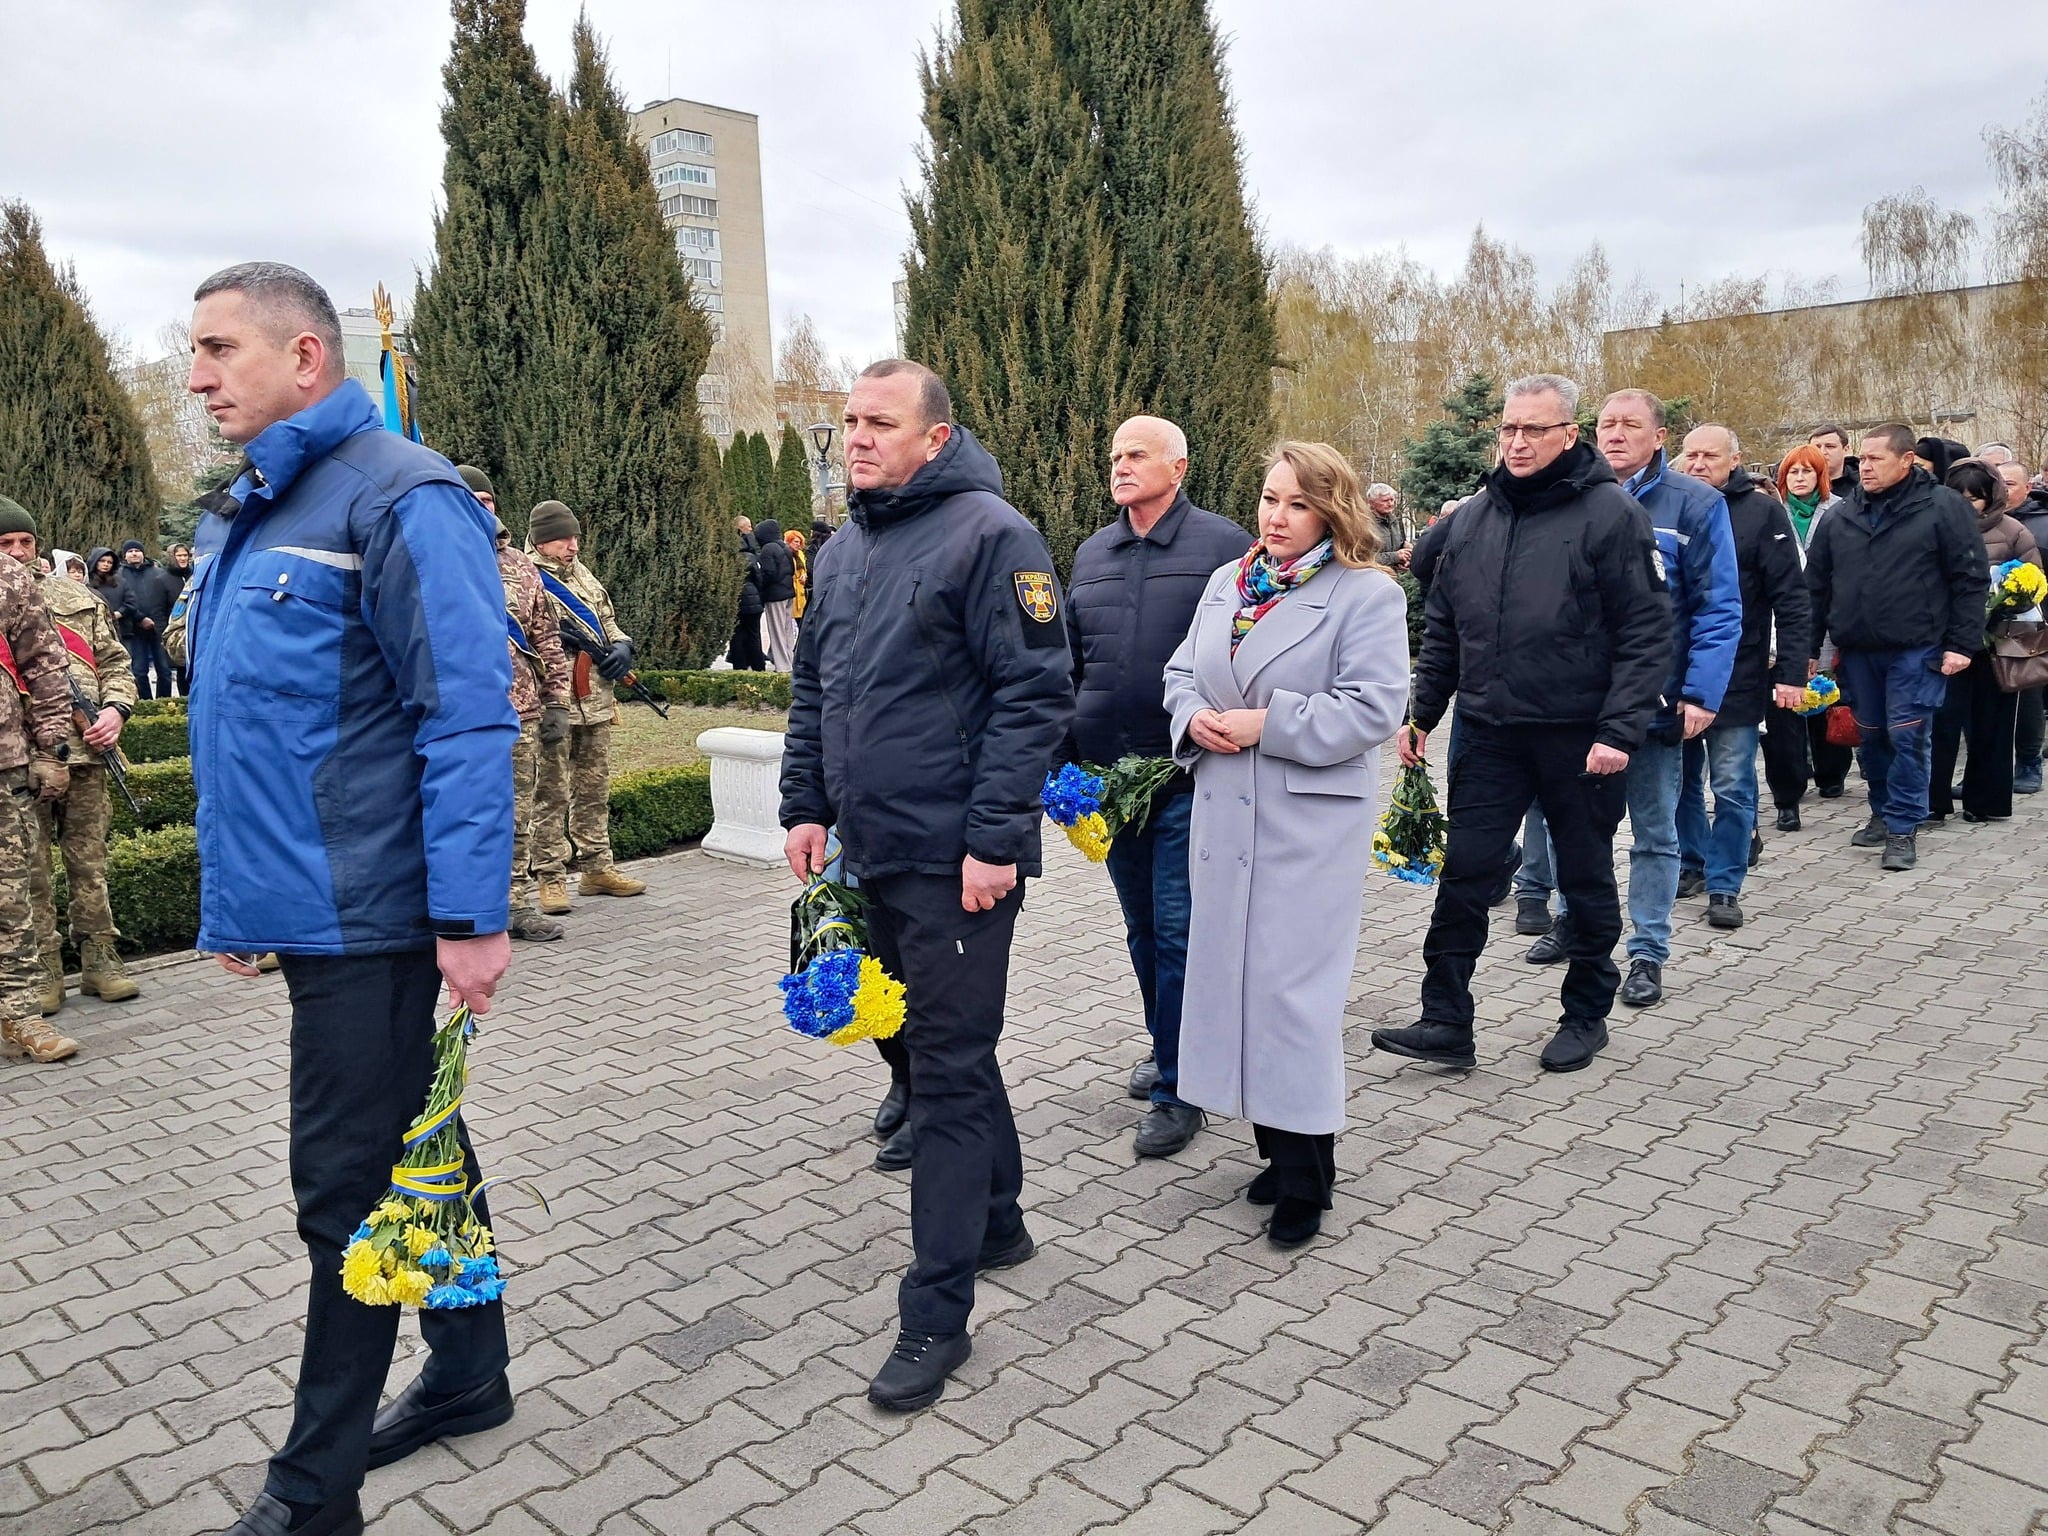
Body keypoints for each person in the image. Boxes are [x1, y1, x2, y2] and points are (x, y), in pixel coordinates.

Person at [183, 261, 518, 1536]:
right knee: (415, 1145)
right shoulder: (259, 506)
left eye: (219, 349)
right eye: (194, 351)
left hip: (376, 915)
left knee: (344, 1190)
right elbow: (257, 727)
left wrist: (472, 919)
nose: (198, 377)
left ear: (307, 357)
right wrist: (243, 905)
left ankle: (312, 1493)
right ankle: (471, 1373)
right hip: (314, 907)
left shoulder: (399, 495)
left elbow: (464, 716)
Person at [780, 359, 1073, 1412]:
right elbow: (814, 686)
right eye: (850, 419)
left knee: (945, 1073)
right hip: (870, 850)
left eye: (880, 422)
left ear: (935, 438)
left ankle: (936, 1315)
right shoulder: (846, 546)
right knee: (931, 1047)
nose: (857, 437)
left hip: (960, 863)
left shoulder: (995, 536)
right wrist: (804, 804)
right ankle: (998, 1218)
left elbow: (1034, 694)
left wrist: (994, 839)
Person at [1372, 373, 1670, 1078]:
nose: (1517, 442)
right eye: (1509, 428)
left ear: (1569, 433)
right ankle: (1446, 1019)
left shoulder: (1611, 515)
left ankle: (1585, 1014)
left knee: (1585, 876)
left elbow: (1646, 632)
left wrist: (1618, 731)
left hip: (1579, 735)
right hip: (1489, 731)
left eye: (1534, 429)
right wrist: (1422, 713)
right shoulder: (1475, 517)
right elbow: (1445, 626)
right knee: (1466, 873)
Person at [1163, 442, 1408, 1244]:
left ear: (1332, 511)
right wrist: (1192, 718)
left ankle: (1309, 1177)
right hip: (1225, 816)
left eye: (1298, 504)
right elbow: (1180, 673)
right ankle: (1275, 1148)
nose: (1277, 516)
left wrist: (1267, 724)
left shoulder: (1365, 594)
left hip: (1306, 826)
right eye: (1271, 499)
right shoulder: (1228, 582)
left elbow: (1373, 707)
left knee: (1291, 997)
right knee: (1234, 987)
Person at [1067, 414, 1251, 1158]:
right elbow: (1071, 661)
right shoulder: (1092, 552)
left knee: (1178, 932)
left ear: (1178, 468)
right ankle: (1165, 1044)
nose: (1120, 465)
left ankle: (1181, 1088)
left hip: (1186, 776)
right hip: (1112, 784)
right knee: (1142, 928)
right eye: (1114, 454)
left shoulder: (1223, 546)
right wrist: (1064, 757)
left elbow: (1249, 648)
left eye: (1136, 454)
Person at [1522, 389, 1740, 1010]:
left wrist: (1700, 693)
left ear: (1660, 436)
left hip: (1654, 701)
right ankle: (1574, 921)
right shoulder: (1564, 494)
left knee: (1654, 831)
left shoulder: (1695, 504)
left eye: (1630, 425)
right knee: (1569, 822)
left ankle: (1648, 951)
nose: (1615, 434)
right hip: (1573, 702)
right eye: (1607, 424)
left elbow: (1718, 607)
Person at [1805, 423, 1987, 872]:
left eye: (1875, 459)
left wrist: (1962, 644)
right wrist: (1806, 649)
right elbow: (1815, 588)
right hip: (1858, 649)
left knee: (1907, 735)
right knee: (1871, 736)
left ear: (1906, 461)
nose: (1864, 467)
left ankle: (1903, 827)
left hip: (1917, 647)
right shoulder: (1840, 516)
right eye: (1862, 459)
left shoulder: (1943, 507)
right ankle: (1882, 811)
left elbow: (1969, 579)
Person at [0, 498, 144, 1017]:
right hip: (24, 759)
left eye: (26, 541)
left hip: (88, 753)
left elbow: (116, 662)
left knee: (90, 861)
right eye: (6, 543)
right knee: (31, 869)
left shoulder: (77, 596)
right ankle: (45, 968)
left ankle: (100, 955)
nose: (19, 551)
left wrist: (116, 711)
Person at [1673, 426, 1810, 929]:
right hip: (1674, 674)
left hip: (1739, 672)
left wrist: (1792, 671)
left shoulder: (1760, 512)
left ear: (1735, 460)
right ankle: (1691, 862)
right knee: (1679, 782)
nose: (1697, 464)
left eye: (1710, 455)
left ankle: (1726, 883)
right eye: (1690, 454)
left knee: (1731, 784)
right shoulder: (1670, 507)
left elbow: (1791, 598)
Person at [459, 466, 573, 943]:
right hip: (459, 715)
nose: (482, 507)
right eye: (471, 499)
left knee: (516, 813)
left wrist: (557, 701)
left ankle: (515, 905)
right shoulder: (435, 556)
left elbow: (546, 636)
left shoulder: (519, 565)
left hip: (519, 712)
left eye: (488, 499)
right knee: (464, 814)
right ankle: (465, 908)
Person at [527, 500, 646, 914]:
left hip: (595, 700)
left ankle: (597, 868)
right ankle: (550, 876)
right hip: (553, 702)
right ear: (541, 541)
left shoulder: (582, 573)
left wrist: (622, 646)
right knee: (550, 792)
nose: (573, 546)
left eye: (575, 538)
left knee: (594, 789)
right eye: (563, 539)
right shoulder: (525, 576)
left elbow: (606, 621)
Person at [0, 530, 81, 1064]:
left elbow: (45, 661)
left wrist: (50, 745)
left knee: (9, 897)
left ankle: (20, 1013)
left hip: (3, 760)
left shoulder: (6, 576)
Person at [1928, 459, 2040, 824]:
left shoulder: (2014, 532)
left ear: (1991, 498)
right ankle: (1932, 800)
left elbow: (2034, 584)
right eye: (1958, 497)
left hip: (1996, 644)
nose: (1967, 505)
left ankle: (1985, 800)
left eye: (1974, 498)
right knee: (1940, 723)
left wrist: (2009, 596)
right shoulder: (1934, 527)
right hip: (1944, 641)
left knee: (1991, 724)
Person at [1767, 445, 1853, 819]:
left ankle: (1831, 771)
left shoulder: (1839, 510)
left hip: (1828, 614)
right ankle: (1792, 780)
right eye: (1793, 472)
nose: (1799, 478)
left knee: (1825, 693)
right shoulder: (1774, 511)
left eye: (1807, 471)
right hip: (1783, 617)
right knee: (1788, 701)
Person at [1996, 458, 2048, 793]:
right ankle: (1988, 770)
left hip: (2030, 628)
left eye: (2010, 484)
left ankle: (2029, 763)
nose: (2002, 490)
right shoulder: (1974, 523)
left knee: (2027, 697)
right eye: (1997, 483)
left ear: (2028, 488)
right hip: (1988, 626)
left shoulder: (2041, 525)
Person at [113, 540, 181, 698]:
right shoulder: (118, 576)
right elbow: (123, 602)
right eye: (130, 551)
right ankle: (146, 703)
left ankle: (164, 703)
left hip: (158, 629)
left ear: (143, 553)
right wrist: (140, 619)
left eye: (137, 550)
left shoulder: (158, 573)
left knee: (164, 670)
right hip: (133, 629)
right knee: (139, 671)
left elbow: (165, 601)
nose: (134, 554)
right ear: (125, 555)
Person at [752, 516, 798, 670]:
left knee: (777, 631)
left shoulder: (767, 549)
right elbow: (792, 570)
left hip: (774, 595)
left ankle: (782, 666)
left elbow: (768, 574)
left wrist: (761, 586)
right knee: (787, 629)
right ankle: (790, 660)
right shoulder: (784, 547)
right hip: (788, 592)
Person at [727, 518, 766, 672]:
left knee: (736, 635)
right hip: (753, 601)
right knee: (754, 634)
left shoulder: (728, 556)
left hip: (735, 600)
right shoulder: (750, 556)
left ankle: (739, 666)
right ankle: (758, 666)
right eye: (748, 526)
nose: (751, 529)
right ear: (741, 529)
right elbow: (759, 578)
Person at [1810, 423, 1857, 500]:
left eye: (1830, 446)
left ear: (1845, 449)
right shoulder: (1798, 484)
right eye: (1817, 447)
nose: (1822, 452)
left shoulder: (1863, 484)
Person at [785, 527, 808, 623]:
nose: (798, 544)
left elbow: (805, 568)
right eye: (795, 541)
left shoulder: (800, 554)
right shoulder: (785, 554)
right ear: (788, 541)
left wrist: (805, 575)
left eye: (799, 542)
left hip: (801, 590)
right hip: (792, 590)